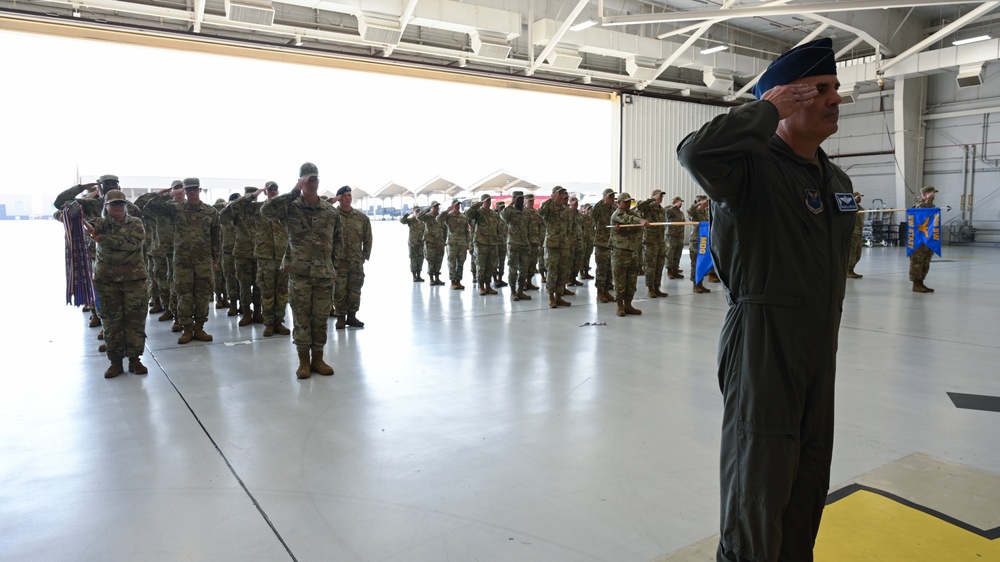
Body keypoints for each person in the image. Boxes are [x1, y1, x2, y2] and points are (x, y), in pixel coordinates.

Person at [677, 37, 856, 562]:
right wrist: (764, 108)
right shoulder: (746, 169)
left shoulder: (834, 177)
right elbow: (695, 151)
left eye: (835, 90)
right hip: (764, 340)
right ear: (785, 98)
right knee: (760, 474)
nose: (834, 99)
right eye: (820, 89)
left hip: (820, 343)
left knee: (808, 471)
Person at [261, 163, 342, 378]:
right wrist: (294, 191)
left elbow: (337, 241)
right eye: (307, 178)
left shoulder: (330, 212)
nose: (312, 182)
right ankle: (303, 361)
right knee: (301, 318)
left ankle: (318, 359)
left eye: (315, 178)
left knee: (321, 318)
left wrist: (333, 268)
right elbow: (266, 211)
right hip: (299, 274)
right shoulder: (291, 207)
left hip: (324, 275)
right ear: (301, 180)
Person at [143, 177, 222, 344]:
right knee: (183, 295)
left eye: (195, 189)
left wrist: (216, 259)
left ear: (200, 190)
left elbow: (216, 237)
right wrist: (167, 194)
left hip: (204, 260)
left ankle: (199, 328)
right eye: (189, 189)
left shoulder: (210, 211)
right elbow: (149, 208)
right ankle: (186, 328)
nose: (192, 192)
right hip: (182, 261)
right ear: (184, 191)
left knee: (202, 295)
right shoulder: (175, 209)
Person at [83, 190, 149, 378]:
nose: (118, 207)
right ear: (106, 207)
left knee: (135, 321)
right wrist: (89, 227)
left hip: (134, 281)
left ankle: (135, 359)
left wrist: (104, 239)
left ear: (126, 206)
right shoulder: (101, 223)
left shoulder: (135, 222)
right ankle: (115, 362)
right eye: (114, 204)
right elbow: (91, 226)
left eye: (121, 204)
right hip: (107, 282)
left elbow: (133, 243)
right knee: (111, 323)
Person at [229, 182, 290, 336]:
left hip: (282, 256)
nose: (273, 192)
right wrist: (253, 195)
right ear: (265, 192)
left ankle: (279, 322)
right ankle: (269, 323)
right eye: (270, 190)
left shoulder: (286, 208)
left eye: (275, 190)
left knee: (282, 292)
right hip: (265, 256)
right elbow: (235, 207)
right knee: (267, 291)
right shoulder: (257, 208)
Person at [145, 180, 186, 330]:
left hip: (181, 252)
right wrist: (162, 195)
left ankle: (178, 315)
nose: (179, 192)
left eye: (182, 189)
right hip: (162, 251)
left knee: (179, 284)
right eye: (176, 189)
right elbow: (145, 207)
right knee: (162, 281)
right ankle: (167, 308)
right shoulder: (161, 208)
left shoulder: (188, 207)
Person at [221, 186, 263, 326]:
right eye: (250, 195)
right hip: (242, 253)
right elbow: (223, 214)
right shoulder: (238, 210)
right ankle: (246, 313)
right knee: (244, 285)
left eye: (254, 195)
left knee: (259, 285)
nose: (253, 198)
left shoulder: (260, 209)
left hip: (258, 252)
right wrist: (247, 198)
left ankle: (257, 312)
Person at [333, 185, 372, 328]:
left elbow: (368, 238)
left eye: (349, 195)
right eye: (344, 196)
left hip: (356, 261)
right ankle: (340, 318)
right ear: (339, 199)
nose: (348, 198)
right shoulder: (332, 215)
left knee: (355, 290)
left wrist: (364, 256)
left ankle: (352, 316)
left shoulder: (361, 218)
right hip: (339, 261)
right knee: (339, 290)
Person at [610, 193, 650, 316]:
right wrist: (640, 220)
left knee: (631, 281)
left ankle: (628, 305)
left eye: (629, 202)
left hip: (633, 252)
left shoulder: (632, 213)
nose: (627, 204)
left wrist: (640, 221)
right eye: (625, 202)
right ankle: (620, 306)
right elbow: (628, 219)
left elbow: (638, 224)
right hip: (620, 252)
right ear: (619, 202)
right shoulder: (618, 214)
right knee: (620, 281)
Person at [538, 186, 573, 308]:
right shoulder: (548, 207)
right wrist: (551, 198)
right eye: (559, 193)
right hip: (552, 244)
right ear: (554, 194)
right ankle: (551, 297)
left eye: (563, 193)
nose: (562, 195)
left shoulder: (566, 210)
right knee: (552, 271)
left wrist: (568, 240)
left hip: (564, 244)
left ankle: (559, 296)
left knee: (562, 271)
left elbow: (569, 227)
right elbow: (540, 212)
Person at [465, 194, 503, 296]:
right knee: (481, 266)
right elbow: (467, 214)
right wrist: (478, 204)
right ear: (482, 202)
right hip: (481, 243)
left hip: (492, 243)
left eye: (490, 201)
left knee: (490, 266)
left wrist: (498, 240)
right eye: (486, 201)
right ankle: (481, 287)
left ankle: (488, 286)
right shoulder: (477, 213)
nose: (489, 203)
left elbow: (498, 227)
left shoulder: (493, 214)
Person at [500, 191, 533, 301]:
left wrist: (531, 241)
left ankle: (520, 291)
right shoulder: (510, 211)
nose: (520, 201)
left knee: (524, 269)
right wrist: (511, 203)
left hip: (525, 244)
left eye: (521, 198)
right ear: (514, 199)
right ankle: (513, 291)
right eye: (518, 199)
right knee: (513, 269)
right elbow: (502, 216)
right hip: (513, 244)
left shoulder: (526, 212)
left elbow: (529, 228)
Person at [636, 189, 669, 298]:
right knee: (650, 266)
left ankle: (657, 287)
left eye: (662, 196)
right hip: (650, 241)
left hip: (660, 241)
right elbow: (639, 206)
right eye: (659, 196)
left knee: (659, 265)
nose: (661, 198)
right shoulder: (648, 207)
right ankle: (650, 289)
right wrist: (651, 199)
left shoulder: (662, 210)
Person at [910, 186, 939, 293]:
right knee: (917, 261)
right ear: (924, 195)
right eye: (931, 193)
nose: (934, 195)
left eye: (933, 193)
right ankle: (915, 284)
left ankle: (921, 282)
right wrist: (929, 199)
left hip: (928, 238)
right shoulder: (920, 205)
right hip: (918, 239)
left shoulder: (931, 206)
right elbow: (923, 212)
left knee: (925, 262)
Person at [590, 188, 616, 303]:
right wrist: (602, 200)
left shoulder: (614, 209)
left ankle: (606, 290)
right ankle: (599, 292)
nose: (612, 198)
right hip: (601, 243)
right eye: (609, 196)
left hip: (612, 243)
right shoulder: (599, 208)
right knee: (601, 268)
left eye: (612, 196)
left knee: (610, 269)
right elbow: (592, 214)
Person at [438, 199, 470, 290]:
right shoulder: (448, 216)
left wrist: (468, 242)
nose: (458, 206)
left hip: (462, 243)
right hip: (452, 243)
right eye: (456, 205)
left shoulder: (463, 216)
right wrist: (447, 210)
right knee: (452, 263)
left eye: (458, 205)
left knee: (461, 263)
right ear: (452, 206)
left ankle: (458, 281)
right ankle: (453, 281)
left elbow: (466, 231)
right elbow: (438, 219)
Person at [220, 193, 241, 317]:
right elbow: (220, 213)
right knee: (230, 279)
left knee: (243, 282)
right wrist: (228, 206)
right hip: (228, 251)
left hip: (243, 251)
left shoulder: (244, 215)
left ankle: (245, 306)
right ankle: (233, 305)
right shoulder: (226, 216)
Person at [688, 195, 714, 293]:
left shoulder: (706, 213)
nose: (707, 203)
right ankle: (695, 285)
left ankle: (701, 283)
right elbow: (690, 211)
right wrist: (698, 204)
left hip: (704, 241)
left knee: (702, 262)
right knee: (695, 263)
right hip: (695, 241)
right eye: (705, 201)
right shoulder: (695, 213)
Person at [419, 201, 447, 286]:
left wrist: (444, 240)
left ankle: (437, 278)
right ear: (432, 207)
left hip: (440, 242)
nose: (437, 208)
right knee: (431, 261)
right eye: (435, 206)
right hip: (430, 242)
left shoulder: (440, 217)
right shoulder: (427, 216)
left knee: (439, 260)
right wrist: (427, 209)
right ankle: (431, 278)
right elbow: (419, 217)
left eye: (438, 206)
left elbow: (445, 229)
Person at [400, 206, 426, 282]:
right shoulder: (411, 220)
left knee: (420, 259)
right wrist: (408, 214)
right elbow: (402, 221)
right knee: (413, 259)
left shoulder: (422, 220)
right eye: (416, 211)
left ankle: (419, 275)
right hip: (413, 243)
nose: (418, 212)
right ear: (413, 212)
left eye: (419, 211)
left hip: (421, 243)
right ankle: (414, 276)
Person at [525, 194, 544, 290]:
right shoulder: (522, 212)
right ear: (525, 201)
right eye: (529, 200)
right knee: (524, 264)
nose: (531, 202)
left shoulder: (536, 213)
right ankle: (522, 283)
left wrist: (540, 239)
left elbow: (541, 227)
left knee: (532, 263)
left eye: (532, 201)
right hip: (524, 242)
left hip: (534, 242)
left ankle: (529, 282)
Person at [665, 196, 686, 279]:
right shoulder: (669, 210)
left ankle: (675, 270)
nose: (680, 204)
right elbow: (667, 212)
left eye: (681, 202)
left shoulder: (680, 213)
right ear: (674, 202)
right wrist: (674, 205)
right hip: (671, 236)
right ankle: (669, 271)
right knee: (670, 253)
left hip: (679, 236)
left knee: (678, 254)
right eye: (679, 202)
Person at [847, 191, 865, 279]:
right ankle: (848, 271)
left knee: (858, 253)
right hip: (853, 233)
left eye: (860, 197)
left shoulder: (861, 208)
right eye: (858, 197)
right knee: (852, 252)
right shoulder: (849, 208)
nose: (860, 198)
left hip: (859, 233)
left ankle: (852, 269)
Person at [578, 203, 596, 280]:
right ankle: (581, 272)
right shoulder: (582, 217)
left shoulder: (592, 219)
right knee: (582, 257)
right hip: (583, 239)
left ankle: (586, 272)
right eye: (588, 209)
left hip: (590, 239)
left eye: (590, 209)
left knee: (588, 256)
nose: (589, 211)